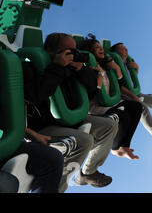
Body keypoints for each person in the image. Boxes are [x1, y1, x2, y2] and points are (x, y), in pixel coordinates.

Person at [23, 33, 118, 190]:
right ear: (50, 51)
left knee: (109, 125)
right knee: (84, 141)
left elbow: (92, 90)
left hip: (72, 118)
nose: (73, 54)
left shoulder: (72, 68)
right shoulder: (31, 66)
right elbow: (35, 95)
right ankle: (58, 188)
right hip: (45, 125)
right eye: (68, 50)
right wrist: (57, 67)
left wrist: (81, 70)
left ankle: (88, 172)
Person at [80, 35, 143, 160]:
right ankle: (115, 149)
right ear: (90, 52)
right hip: (96, 107)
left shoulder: (107, 67)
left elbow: (119, 87)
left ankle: (124, 146)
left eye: (100, 46)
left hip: (111, 102)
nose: (101, 49)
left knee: (136, 106)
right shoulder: (89, 68)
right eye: (96, 47)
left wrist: (117, 68)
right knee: (123, 116)